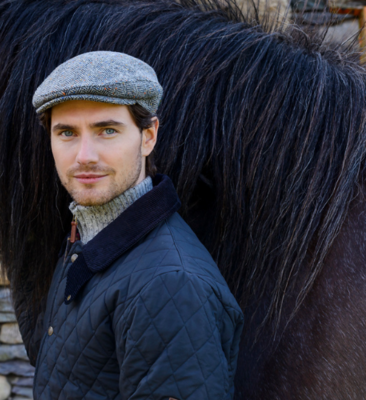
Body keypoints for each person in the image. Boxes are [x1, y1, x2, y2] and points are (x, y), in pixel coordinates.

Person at [25, 51, 244, 400]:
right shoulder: (84, 236)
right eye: (66, 132)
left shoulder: (170, 285)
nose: (84, 156)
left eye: (107, 130)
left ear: (148, 136)